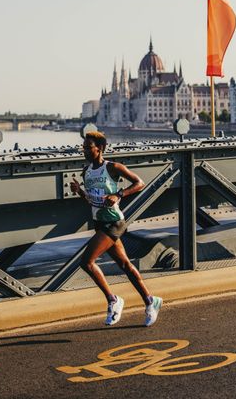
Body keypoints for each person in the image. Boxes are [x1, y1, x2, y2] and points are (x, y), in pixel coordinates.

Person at [70, 130, 162, 327]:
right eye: (84, 148)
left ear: (100, 148)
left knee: (86, 262)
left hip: (114, 222)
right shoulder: (86, 172)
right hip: (100, 223)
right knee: (125, 265)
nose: (85, 151)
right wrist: (80, 192)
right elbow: (91, 200)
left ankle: (113, 300)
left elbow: (140, 183)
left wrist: (119, 194)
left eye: (89, 148)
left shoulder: (113, 168)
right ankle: (150, 300)